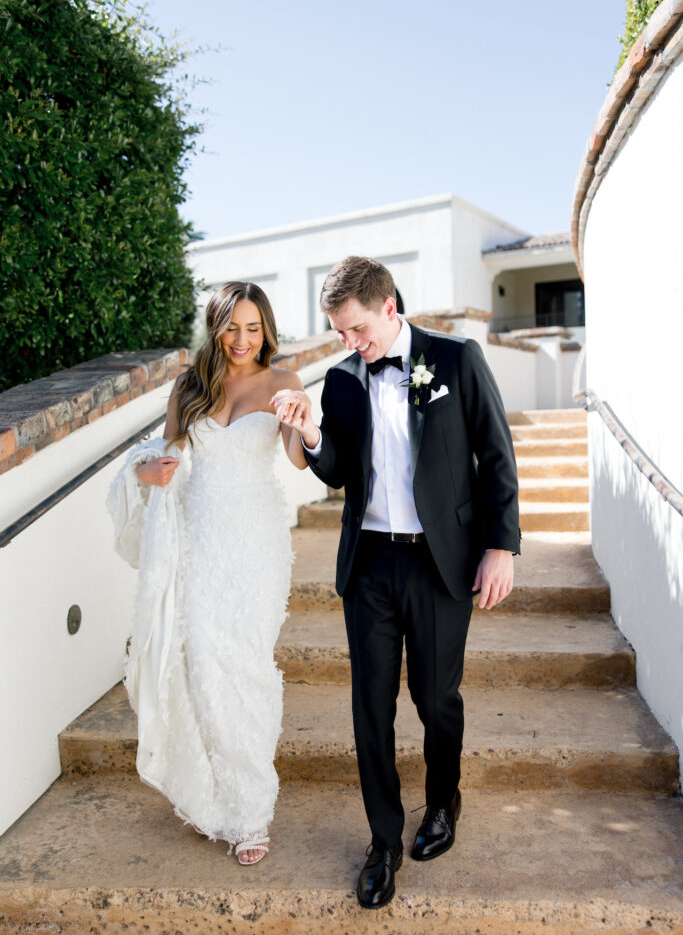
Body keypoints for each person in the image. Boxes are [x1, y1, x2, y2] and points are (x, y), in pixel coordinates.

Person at [271, 256, 520, 908]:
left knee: (435, 697)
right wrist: (313, 433)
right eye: (339, 333)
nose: (349, 344)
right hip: (370, 564)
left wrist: (501, 546)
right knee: (369, 706)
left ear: (388, 307)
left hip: (441, 561)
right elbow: (337, 471)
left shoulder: (457, 360)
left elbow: (495, 455)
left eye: (355, 330)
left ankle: (442, 804)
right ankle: (382, 840)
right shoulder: (345, 379)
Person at [107, 282, 308, 865]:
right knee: (202, 666)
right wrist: (150, 472)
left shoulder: (283, 383)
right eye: (230, 327)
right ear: (215, 328)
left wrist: (302, 422)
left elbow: (297, 456)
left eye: (253, 328)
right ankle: (214, 793)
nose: (242, 340)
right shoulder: (188, 387)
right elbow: (165, 455)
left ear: (266, 329)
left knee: (243, 665)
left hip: (255, 542)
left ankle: (251, 809)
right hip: (198, 538)